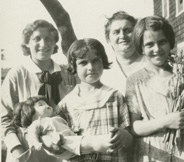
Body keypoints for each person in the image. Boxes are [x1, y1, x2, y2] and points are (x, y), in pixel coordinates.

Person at [125, 15, 184, 162]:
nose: (157, 49)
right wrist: (166, 121)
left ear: (170, 42)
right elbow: (134, 128)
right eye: (149, 44)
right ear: (141, 47)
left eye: (162, 42)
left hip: (183, 151)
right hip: (150, 153)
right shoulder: (135, 80)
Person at [1, 19, 76, 162]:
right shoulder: (16, 75)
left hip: (64, 153)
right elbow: (3, 118)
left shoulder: (67, 74)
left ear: (55, 43)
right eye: (37, 39)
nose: (43, 44)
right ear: (27, 43)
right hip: (28, 152)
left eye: (49, 39)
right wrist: (18, 151)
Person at [55, 38, 133, 162]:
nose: (91, 67)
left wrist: (124, 136)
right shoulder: (66, 105)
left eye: (95, 61)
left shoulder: (114, 97)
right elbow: (58, 145)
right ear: (74, 66)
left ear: (103, 61)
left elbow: (129, 141)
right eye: (83, 63)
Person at [102, 11, 147, 95]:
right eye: (116, 32)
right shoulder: (104, 72)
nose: (122, 36)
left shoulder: (150, 64)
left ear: (136, 34)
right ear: (108, 39)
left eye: (127, 30)